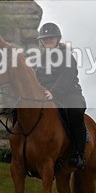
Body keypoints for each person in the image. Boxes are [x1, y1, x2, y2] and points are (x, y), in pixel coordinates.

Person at [34, 22, 87, 170]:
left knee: (75, 113)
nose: (48, 41)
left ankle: (79, 153)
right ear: (41, 42)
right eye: (45, 39)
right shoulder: (38, 59)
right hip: (45, 94)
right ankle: (17, 149)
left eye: (51, 38)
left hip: (69, 94)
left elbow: (66, 76)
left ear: (58, 39)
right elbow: (34, 77)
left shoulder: (67, 56)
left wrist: (54, 92)